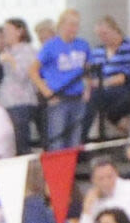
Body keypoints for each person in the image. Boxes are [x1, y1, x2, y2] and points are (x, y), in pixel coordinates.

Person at [35, 9, 92, 151]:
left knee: (75, 141)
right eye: (71, 24)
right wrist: (47, 92)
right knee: (57, 141)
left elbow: (88, 70)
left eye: (77, 25)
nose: (74, 29)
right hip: (59, 98)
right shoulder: (50, 46)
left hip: (78, 97)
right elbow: (33, 70)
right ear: (62, 25)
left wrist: (88, 89)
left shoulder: (83, 45)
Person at [88, 16, 130, 137]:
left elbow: (127, 76)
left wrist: (103, 82)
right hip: (101, 91)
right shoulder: (97, 51)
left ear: (115, 30)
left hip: (125, 89)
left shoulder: (129, 47)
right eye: (99, 35)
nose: (102, 38)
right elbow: (90, 74)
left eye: (105, 34)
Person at [0, 18, 42, 154]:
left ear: (19, 31)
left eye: (8, 30)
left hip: (21, 101)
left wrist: (11, 61)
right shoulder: (5, 51)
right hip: (5, 102)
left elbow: (23, 75)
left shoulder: (28, 51)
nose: (5, 34)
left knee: (21, 140)